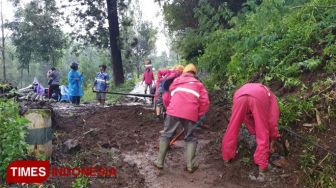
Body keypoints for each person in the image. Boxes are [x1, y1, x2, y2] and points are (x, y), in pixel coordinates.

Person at [154, 63, 210, 173]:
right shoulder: (199, 84)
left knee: (166, 134)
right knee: (191, 137)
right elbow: (205, 102)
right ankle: (190, 165)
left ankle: (159, 162)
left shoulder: (176, 82)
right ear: (194, 74)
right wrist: (198, 114)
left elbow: (167, 97)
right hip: (190, 113)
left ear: (184, 72)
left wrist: (169, 108)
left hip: (173, 111)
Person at [221, 83, 280, 174]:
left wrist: (253, 131)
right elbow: (272, 121)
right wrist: (273, 138)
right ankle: (262, 166)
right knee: (262, 132)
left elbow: (246, 117)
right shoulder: (271, 97)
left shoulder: (249, 88)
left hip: (239, 96)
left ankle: (226, 157)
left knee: (232, 128)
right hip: (258, 98)